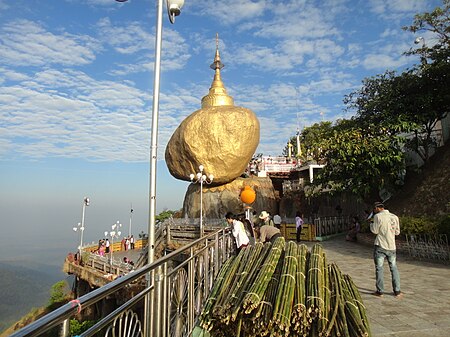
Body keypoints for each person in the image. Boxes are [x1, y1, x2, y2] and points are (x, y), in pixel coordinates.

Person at [370, 202, 402, 298]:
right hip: (392, 246)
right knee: (393, 268)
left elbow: (375, 231)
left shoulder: (377, 217)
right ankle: (397, 290)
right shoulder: (394, 217)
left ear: (377, 208)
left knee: (379, 268)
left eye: (374, 209)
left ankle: (380, 291)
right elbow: (397, 232)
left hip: (380, 245)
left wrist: (371, 223)